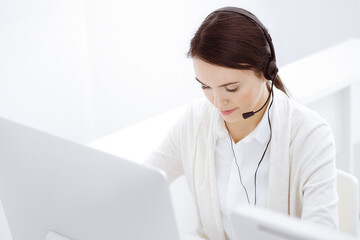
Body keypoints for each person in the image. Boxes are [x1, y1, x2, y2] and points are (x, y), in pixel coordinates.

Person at [145, 6, 338, 240]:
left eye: (231, 88)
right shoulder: (194, 123)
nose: (217, 101)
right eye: (205, 86)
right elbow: (143, 182)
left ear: (266, 71)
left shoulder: (309, 135)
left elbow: (322, 233)